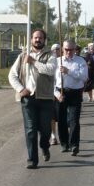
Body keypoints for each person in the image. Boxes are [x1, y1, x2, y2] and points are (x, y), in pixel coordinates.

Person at [8, 29, 57, 169]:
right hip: (28, 98)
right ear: (31, 40)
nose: (37, 40)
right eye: (35, 37)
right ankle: (32, 160)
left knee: (45, 129)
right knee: (30, 130)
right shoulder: (23, 56)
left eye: (40, 38)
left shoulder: (50, 55)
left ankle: (45, 146)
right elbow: (12, 75)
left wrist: (34, 61)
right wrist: (20, 89)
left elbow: (50, 70)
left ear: (44, 40)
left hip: (45, 98)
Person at [55, 40, 88, 155]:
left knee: (74, 120)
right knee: (62, 120)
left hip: (75, 93)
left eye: (71, 50)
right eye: (66, 49)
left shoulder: (80, 61)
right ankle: (64, 143)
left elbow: (84, 77)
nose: (69, 52)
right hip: (61, 93)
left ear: (75, 49)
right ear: (62, 49)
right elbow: (52, 82)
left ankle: (74, 145)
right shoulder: (57, 62)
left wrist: (68, 71)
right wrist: (57, 94)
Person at [50, 43, 62, 144]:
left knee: (62, 117)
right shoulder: (49, 61)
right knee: (52, 117)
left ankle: (63, 136)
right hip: (50, 93)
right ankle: (53, 136)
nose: (55, 51)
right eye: (53, 49)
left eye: (57, 49)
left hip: (61, 92)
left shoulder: (63, 61)